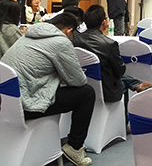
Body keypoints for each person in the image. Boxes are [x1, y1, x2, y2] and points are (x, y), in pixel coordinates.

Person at [2, 12, 95, 166]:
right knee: (87, 93)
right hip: (27, 105)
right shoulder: (61, 42)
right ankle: (74, 147)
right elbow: (78, 81)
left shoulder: (27, 36)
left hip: (6, 103)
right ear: (69, 30)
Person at [73, 5, 152, 104]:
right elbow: (120, 71)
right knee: (119, 80)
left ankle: (136, 84)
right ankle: (125, 111)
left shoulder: (74, 40)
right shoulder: (109, 44)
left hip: (80, 86)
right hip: (106, 91)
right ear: (104, 22)